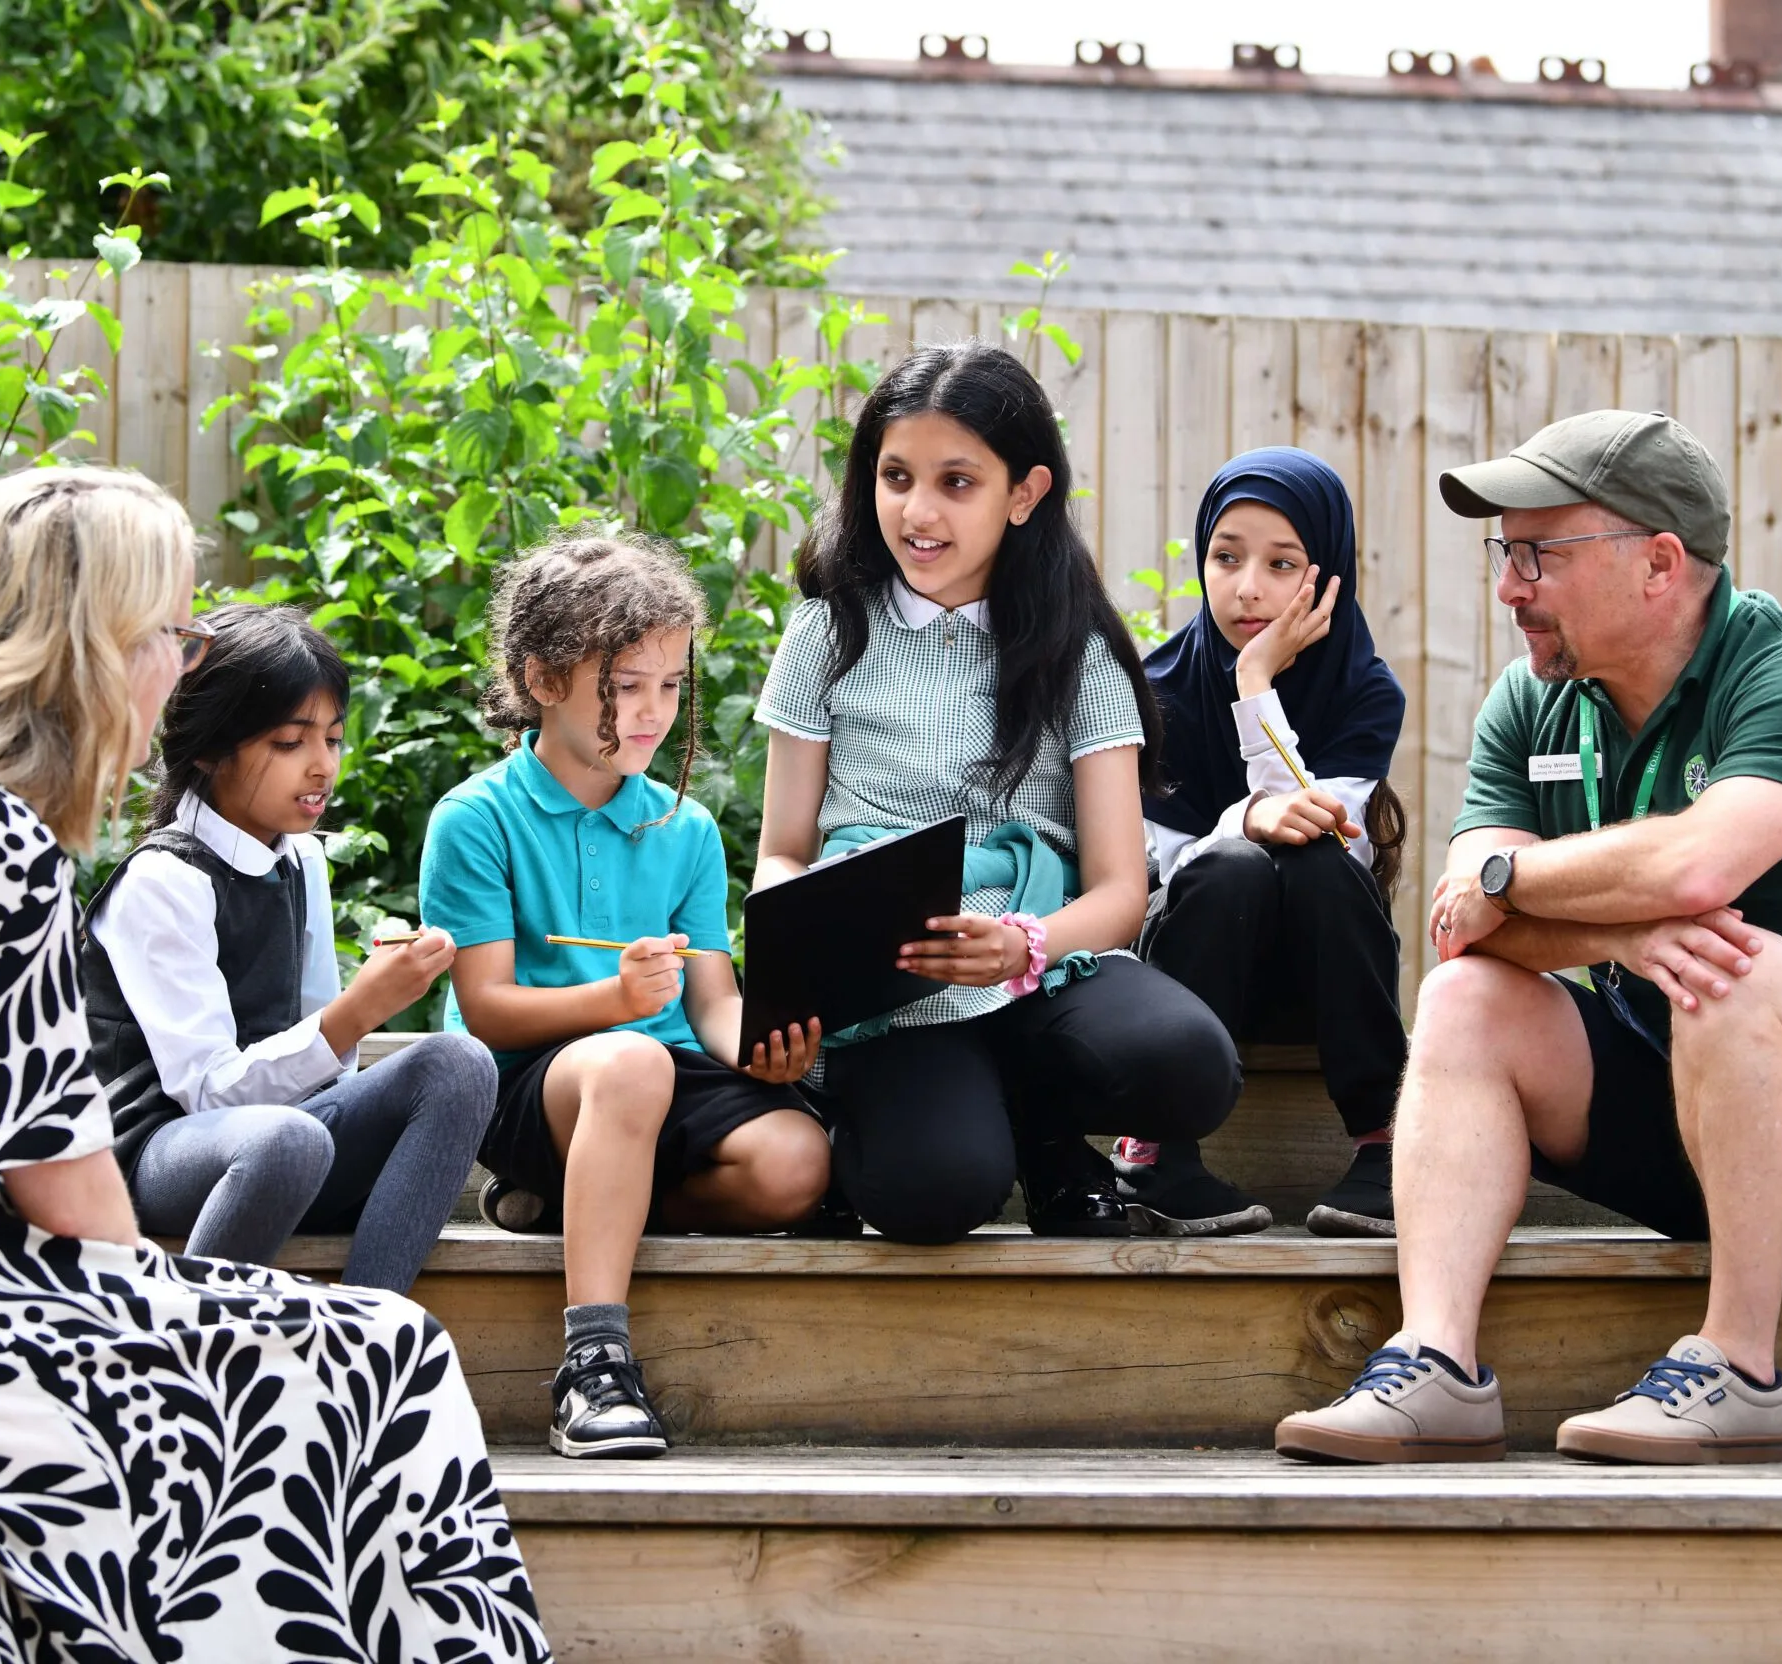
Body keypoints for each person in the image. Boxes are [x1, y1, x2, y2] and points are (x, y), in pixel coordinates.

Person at [0, 468, 548, 1660]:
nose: (180, 663)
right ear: (89, 651)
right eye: (169, 633)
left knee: (326, 1348)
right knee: (379, 1354)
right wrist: (198, 1309)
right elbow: (69, 1195)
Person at [1273, 410, 1782, 1466]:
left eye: (1538, 554)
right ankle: (1434, 1363)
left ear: (1660, 563)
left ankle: (1738, 1367)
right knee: (1464, 997)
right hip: (1688, 1115)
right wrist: (1617, 937)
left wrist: (1513, 877)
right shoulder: (1531, 701)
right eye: (1503, 554)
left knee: (1725, 965)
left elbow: (1692, 868)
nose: (1510, 585)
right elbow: (1463, 928)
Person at [753, 339, 1242, 1246]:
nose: (917, 510)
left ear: (1025, 494)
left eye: (957, 482)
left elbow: (1119, 889)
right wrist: (799, 959)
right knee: (931, 1194)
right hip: (889, 987)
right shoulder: (827, 631)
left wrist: (1025, 944)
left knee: (1190, 1066)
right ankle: (1009, 1136)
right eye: (895, 476)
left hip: (1040, 962)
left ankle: (1040, 1123)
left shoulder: (1077, 651)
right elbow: (783, 848)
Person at [419, 530, 831, 1461]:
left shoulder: (681, 829)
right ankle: (592, 1362)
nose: (653, 712)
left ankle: (571, 1201)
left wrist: (759, 1045)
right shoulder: (475, 818)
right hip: (531, 1082)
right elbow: (486, 1010)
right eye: (626, 686)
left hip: (654, 1071)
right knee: (633, 1058)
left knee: (797, 1162)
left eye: (672, 685)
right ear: (544, 679)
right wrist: (613, 1001)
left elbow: (712, 1000)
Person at [79, 602, 492, 1294]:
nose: (321, 766)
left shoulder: (299, 859)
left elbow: (325, 1064)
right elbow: (208, 1096)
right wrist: (356, 1014)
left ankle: (364, 1338)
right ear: (209, 748)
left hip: (284, 1140)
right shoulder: (162, 880)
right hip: (156, 1153)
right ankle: (186, 1351)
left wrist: (358, 1012)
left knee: (459, 1064)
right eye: (289, 743)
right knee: (287, 1140)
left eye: (332, 739)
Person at [1123, 447, 1411, 1238]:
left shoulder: (1366, 690)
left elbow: (1330, 835)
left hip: (1323, 982)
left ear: (1327, 576)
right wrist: (1240, 821)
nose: (1247, 586)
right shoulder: (1161, 694)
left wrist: (1256, 683)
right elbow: (1165, 874)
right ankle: (1157, 1146)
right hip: (1194, 982)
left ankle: (1387, 1144)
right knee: (1233, 868)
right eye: (1225, 557)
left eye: (1281, 564)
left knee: (1313, 862)